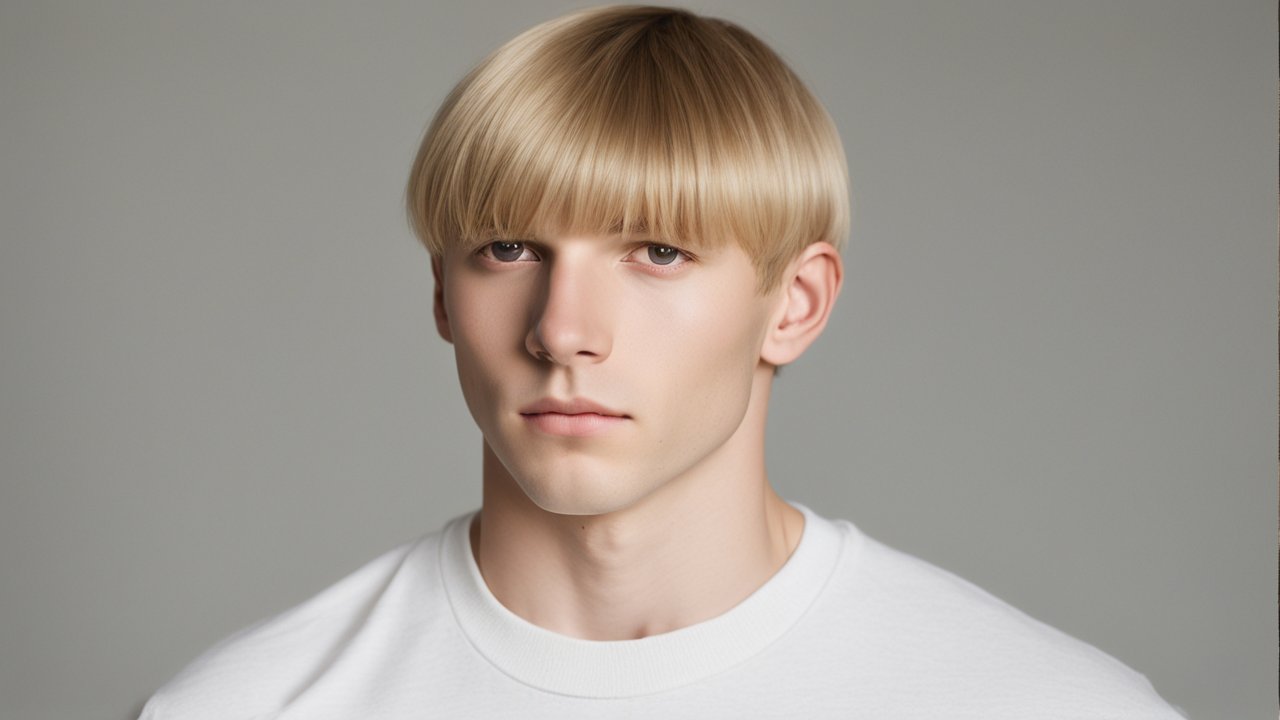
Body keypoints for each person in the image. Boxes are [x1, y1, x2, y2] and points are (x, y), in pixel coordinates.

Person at [140, 6, 1185, 718]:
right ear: (440, 296)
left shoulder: (1045, 707)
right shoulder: (243, 708)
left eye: (658, 252)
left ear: (796, 303)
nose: (561, 329)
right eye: (507, 249)